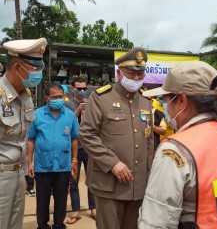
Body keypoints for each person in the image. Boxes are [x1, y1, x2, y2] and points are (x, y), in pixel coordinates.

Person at [138, 61, 217, 228]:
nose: (165, 106)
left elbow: (155, 223)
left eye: (166, 100)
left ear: (181, 100)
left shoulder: (175, 151)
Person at [79, 47, 154, 229]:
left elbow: (148, 140)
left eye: (140, 73)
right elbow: (87, 134)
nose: (136, 78)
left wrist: (151, 175)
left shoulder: (145, 101)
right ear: (119, 73)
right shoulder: (101, 98)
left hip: (138, 184)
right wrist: (112, 163)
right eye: (131, 73)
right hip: (109, 184)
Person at [0, 38, 47, 229]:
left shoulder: (25, 96)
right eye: (34, 69)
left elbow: (23, 137)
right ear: (18, 67)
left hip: (19, 175)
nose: (38, 74)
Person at [27, 82, 79, 229]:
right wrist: (29, 162)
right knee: (42, 200)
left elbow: (75, 138)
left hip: (63, 165)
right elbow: (31, 139)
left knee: (61, 199)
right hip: (42, 165)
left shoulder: (70, 115)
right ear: (46, 97)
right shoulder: (37, 115)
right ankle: (42, 226)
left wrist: (74, 160)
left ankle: (58, 225)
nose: (58, 99)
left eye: (60, 96)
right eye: (54, 97)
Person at [64, 77, 96, 224]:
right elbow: (65, 126)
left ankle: (93, 208)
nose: (82, 91)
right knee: (73, 181)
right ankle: (76, 210)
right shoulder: (66, 105)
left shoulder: (92, 103)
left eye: (84, 88)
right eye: (79, 88)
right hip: (74, 148)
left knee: (92, 180)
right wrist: (77, 111)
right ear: (72, 89)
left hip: (89, 147)